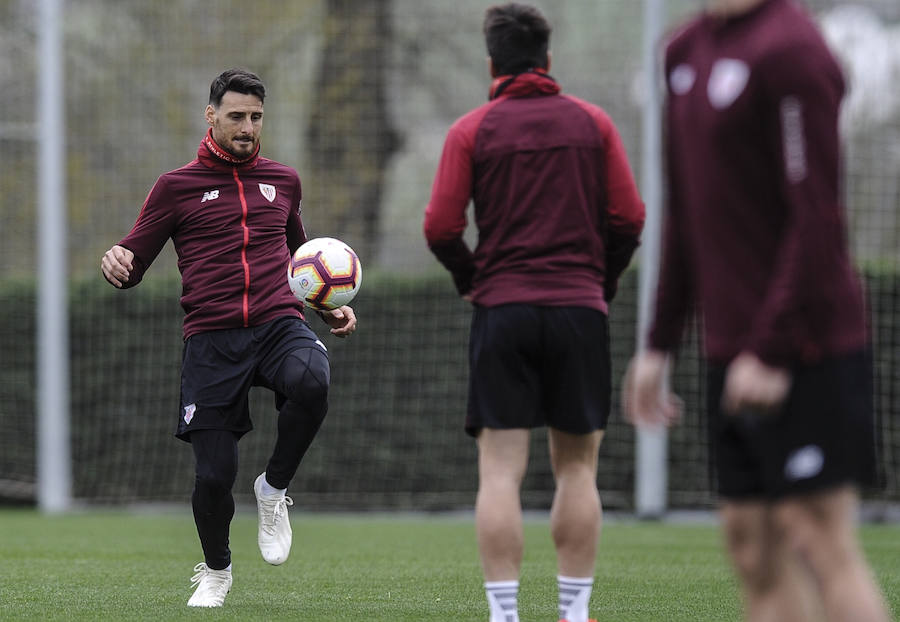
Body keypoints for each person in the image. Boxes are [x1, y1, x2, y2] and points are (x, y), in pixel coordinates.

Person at [623, 0, 890, 620]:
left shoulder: (794, 50)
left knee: (818, 536)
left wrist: (772, 349)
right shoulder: (682, 53)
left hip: (809, 347)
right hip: (728, 351)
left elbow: (817, 220)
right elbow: (686, 218)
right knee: (751, 547)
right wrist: (658, 344)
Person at [100, 68, 357, 608]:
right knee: (215, 477)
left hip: (278, 324)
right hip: (212, 339)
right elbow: (133, 259)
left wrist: (327, 306)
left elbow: (301, 258)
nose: (246, 127)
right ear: (211, 115)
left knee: (312, 380)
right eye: (236, 116)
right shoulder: (175, 187)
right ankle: (216, 571)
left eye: (256, 117)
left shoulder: (284, 180)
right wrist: (118, 262)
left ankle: (275, 488)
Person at [424, 5, 645, 621]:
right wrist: (600, 280)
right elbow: (629, 218)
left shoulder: (472, 130)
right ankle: (573, 615)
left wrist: (473, 280)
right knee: (578, 469)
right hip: (579, 310)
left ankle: (504, 615)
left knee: (499, 473)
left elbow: (441, 226)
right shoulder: (594, 124)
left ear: (492, 63)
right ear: (547, 60)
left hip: (504, 311)